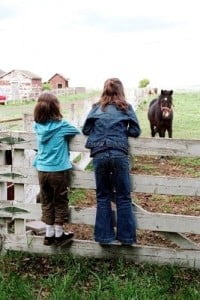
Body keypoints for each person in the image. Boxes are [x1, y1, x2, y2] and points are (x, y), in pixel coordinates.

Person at [82, 78, 141, 245]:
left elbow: (86, 129)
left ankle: (104, 237)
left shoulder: (96, 108)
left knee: (102, 196)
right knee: (123, 197)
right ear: (120, 90)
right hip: (118, 154)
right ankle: (127, 238)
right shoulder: (126, 108)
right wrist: (121, 131)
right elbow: (136, 130)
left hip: (99, 154)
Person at [33, 93, 80, 246]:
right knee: (60, 201)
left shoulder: (37, 126)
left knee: (46, 201)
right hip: (58, 171)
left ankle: (48, 234)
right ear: (56, 108)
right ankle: (59, 234)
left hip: (42, 170)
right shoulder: (62, 126)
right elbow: (77, 131)